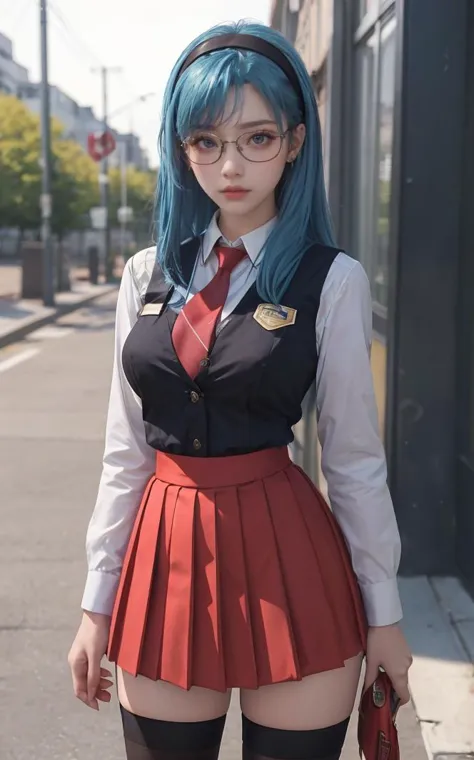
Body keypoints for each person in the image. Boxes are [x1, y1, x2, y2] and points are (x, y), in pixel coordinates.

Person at [68, 19, 412, 760]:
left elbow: (352, 460)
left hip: (290, 557)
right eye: (206, 141)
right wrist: (97, 603)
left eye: (256, 138)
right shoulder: (144, 275)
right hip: (163, 557)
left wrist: (384, 613)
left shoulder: (333, 279)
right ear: (181, 147)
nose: (230, 164)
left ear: (293, 142)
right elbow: (124, 452)